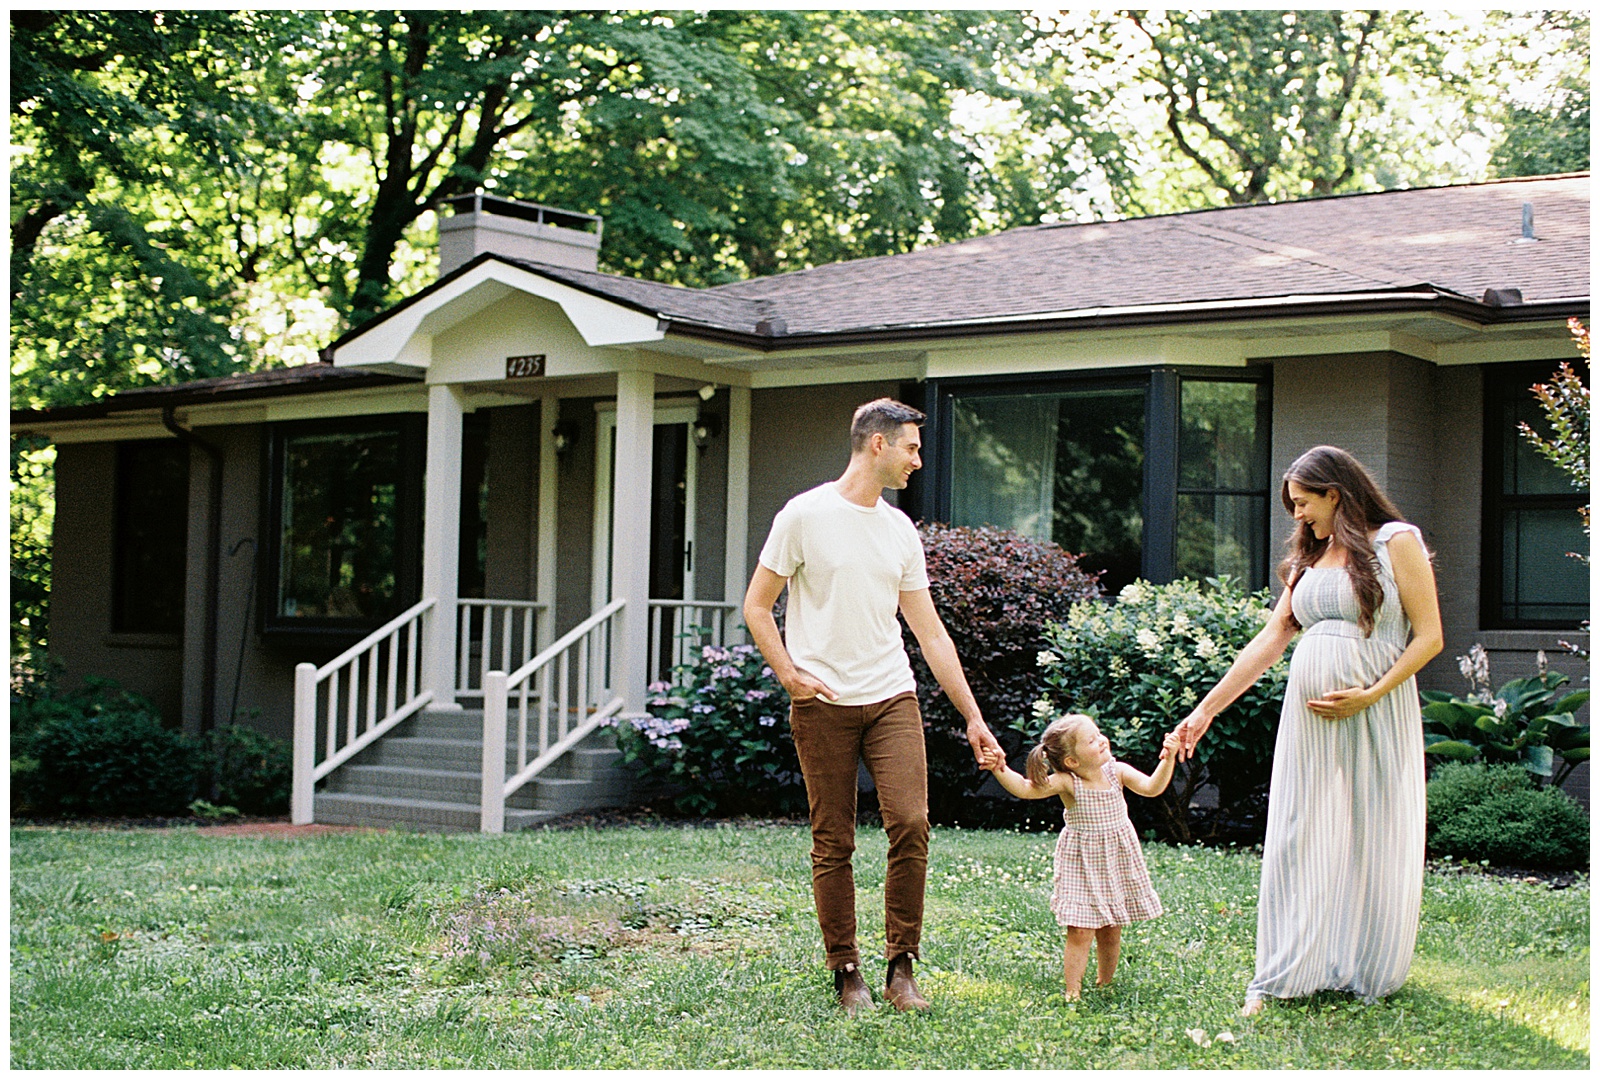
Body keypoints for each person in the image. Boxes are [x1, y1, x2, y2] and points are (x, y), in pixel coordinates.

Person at [742, 397, 1002, 1014]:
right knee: (833, 840)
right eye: (911, 447)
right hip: (822, 703)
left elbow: (930, 632)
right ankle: (846, 972)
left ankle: (901, 968)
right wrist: (790, 677)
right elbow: (757, 605)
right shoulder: (804, 515)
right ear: (878, 444)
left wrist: (972, 717)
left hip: (892, 697)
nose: (918, 459)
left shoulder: (898, 529)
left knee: (910, 823)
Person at [1174, 445, 1442, 1017]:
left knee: (1371, 828)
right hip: (1310, 717)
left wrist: (1371, 693)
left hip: (1377, 708)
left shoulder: (1396, 541)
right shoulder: (1309, 562)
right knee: (1300, 831)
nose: (1297, 516)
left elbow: (1430, 636)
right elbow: (1270, 641)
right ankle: (1281, 973)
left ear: (1335, 494)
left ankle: (1364, 966)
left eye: (1303, 503)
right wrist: (1206, 710)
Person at [980, 715, 1179, 999]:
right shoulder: (1068, 782)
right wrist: (999, 769)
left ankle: (1105, 983)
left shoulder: (1116, 771)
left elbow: (1151, 788)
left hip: (1115, 861)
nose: (1101, 740)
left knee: (1112, 927)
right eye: (1091, 740)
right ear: (1072, 761)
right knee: (1081, 930)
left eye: (1099, 734)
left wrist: (1168, 758)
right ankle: (1072, 991)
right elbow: (1026, 788)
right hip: (1082, 863)